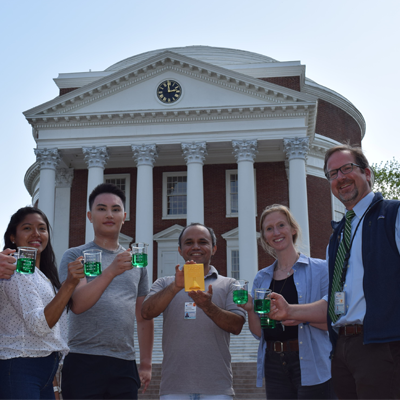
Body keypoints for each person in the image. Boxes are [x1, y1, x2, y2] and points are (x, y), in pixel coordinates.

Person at [269, 143, 400, 399]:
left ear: (367, 173)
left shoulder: (393, 215)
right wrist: (290, 310)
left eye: (346, 168)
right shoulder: (337, 237)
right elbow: (336, 302)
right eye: (332, 174)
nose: (340, 178)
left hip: (384, 346)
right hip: (342, 349)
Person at [59, 183, 154, 399]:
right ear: (90, 216)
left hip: (124, 362)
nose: (109, 214)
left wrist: (146, 363)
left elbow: (143, 316)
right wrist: (111, 271)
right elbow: (78, 305)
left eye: (116, 209)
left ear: (124, 216)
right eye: (101, 209)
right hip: (83, 358)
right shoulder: (75, 256)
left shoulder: (137, 263)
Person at [141, 223, 246, 400]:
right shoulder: (165, 283)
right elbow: (146, 312)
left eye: (202, 242)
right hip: (174, 387)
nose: (196, 247)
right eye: (189, 242)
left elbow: (236, 326)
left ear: (213, 249)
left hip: (216, 388)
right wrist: (176, 286)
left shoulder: (229, 284)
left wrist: (208, 306)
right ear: (180, 250)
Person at [239, 204, 333, 399]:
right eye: (269, 228)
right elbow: (260, 332)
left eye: (281, 225)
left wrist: (298, 316)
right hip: (274, 364)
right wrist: (249, 309)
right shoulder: (261, 278)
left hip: (311, 361)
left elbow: (333, 321)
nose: (276, 232)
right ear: (265, 236)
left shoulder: (320, 269)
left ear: (293, 229)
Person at [0, 207, 84, 399]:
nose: (36, 234)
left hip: (44, 370)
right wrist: (69, 285)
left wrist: (53, 385)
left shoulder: (43, 277)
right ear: (13, 236)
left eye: (42, 228)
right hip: (20, 367)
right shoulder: (15, 265)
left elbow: (49, 338)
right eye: (28, 228)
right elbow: (39, 325)